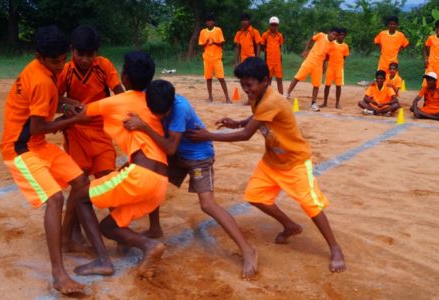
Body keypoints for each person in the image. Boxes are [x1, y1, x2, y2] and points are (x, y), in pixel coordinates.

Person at [186, 57, 346, 273]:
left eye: (249, 85)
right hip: (272, 161)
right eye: (242, 85)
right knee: (255, 197)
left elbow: (245, 136)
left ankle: (335, 249)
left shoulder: (272, 100)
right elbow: (257, 118)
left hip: (295, 161)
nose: (245, 90)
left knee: (311, 205)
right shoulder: (258, 96)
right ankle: (290, 225)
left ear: (265, 81)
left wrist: (208, 135)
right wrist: (239, 121)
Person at [0, 26, 114, 295]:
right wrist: (74, 118)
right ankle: (58, 274)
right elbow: (38, 127)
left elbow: (52, 99)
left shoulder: (46, 71)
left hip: (37, 144)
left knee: (81, 181)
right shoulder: (39, 79)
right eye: (56, 61)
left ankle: (68, 237)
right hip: (21, 148)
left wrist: (68, 102)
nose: (61, 65)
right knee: (55, 199)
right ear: (40, 56)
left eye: (64, 59)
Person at [122, 80, 259, 279]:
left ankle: (248, 250)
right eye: (156, 112)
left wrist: (145, 127)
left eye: (164, 113)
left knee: (208, 204)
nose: (160, 117)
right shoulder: (148, 95)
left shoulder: (180, 108)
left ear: (171, 103)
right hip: (177, 156)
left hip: (197, 158)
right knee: (152, 178)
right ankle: (155, 228)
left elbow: (170, 148)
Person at [75, 51, 169, 279]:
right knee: (108, 227)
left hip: (141, 176)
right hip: (160, 184)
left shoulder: (115, 101)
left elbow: (82, 112)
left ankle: (103, 260)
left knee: (79, 197)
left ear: (125, 77)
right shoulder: (152, 102)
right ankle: (147, 245)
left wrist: (63, 103)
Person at [57, 25, 124, 252]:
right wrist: (69, 105)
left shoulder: (103, 66)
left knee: (108, 178)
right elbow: (54, 99)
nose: (86, 59)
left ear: (97, 52)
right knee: (80, 184)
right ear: (72, 50)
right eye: (81, 54)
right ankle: (68, 236)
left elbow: (119, 91)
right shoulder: (65, 71)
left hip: (101, 131)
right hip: (75, 131)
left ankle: (121, 231)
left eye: (90, 54)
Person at [285, 28, 339, 111]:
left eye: (336, 36)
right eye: (333, 34)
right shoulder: (321, 35)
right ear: (329, 33)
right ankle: (287, 94)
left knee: (316, 85)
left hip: (318, 65)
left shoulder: (334, 45)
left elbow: (327, 56)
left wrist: (324, 65)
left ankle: (313, 104)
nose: (334, 36)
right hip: (310, 60)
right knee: (297, 77)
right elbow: (311, 40)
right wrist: (306, 50)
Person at [199, 14, 231, 103]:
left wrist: (214, 42)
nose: (209, 22)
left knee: (221, 78)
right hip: (207, 59)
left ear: (213, 22)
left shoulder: (218, 30)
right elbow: (201, 45)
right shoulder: (203, 32)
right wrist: (205, 43)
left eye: (211, 20)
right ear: (206, 22)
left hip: (217, 58)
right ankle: (210, 97)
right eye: (207, 21)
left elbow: (222, 43)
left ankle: (227, 98)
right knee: (208, 78)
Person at [322, 28, 350, 109]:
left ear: (344, 36)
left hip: (339, 69)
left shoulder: (345, 46)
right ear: (337, 36)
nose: (341, 36)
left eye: (343, 35)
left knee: (338, 86)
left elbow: (344, 57)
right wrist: (324, 65)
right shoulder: (332, 44)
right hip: (330, 67)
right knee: (327, 85)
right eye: (340, 35)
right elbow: (326, 56)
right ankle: (325, 102)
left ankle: (337, 103)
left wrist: (340, 64)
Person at [261, 16, 285, 94]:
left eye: (275, 25)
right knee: (268, 80)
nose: (273, 27)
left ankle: (281, 96)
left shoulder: (280, 36)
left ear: (277, 26)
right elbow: (262, 47)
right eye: (272, 25)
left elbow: (280, 47)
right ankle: (266, 96)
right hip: (269, 61)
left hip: (277, 61)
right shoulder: (265, 35)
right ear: (269, 25)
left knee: (279, 79)